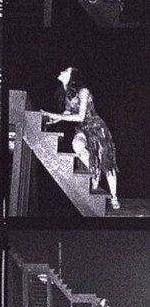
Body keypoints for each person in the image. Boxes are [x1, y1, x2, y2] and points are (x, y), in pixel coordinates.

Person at [42, 66, 120, 209]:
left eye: (65, 71)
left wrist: (56, 116)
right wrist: (54, 119)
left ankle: (114, 196)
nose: (61, 72)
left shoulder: (83, 92)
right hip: (82, 129)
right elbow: (68, 111)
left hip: (96, 127)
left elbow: (80, 116)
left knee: (106, 161)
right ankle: (95, 170)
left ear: (73, 77)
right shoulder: (67, 95)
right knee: (77, 145)